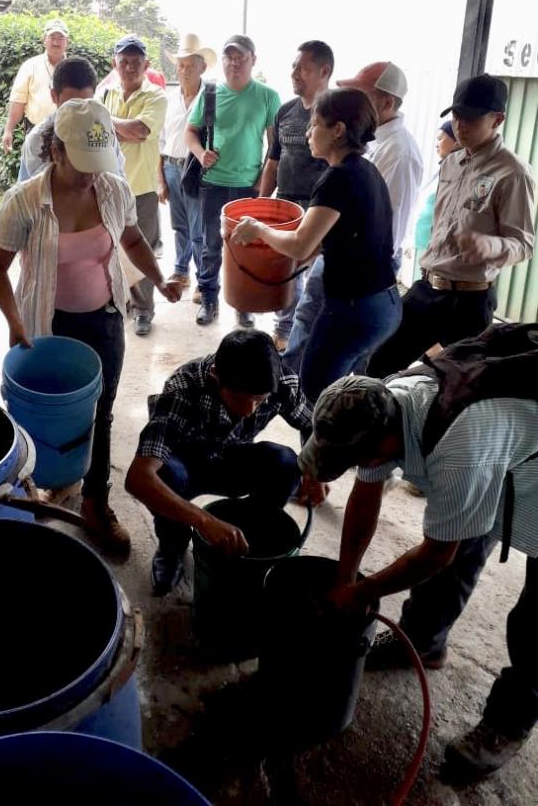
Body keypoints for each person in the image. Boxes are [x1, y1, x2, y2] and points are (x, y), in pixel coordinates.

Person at [298, 372, 538, 782]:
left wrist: (363, 593)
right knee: (458, 529)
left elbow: (435, 556)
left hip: (509, 456)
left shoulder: (461, 451)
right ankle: (423, 642)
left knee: (535, 623)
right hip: (500, 450)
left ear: (381, 449)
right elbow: (365, 497)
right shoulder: (384, 404)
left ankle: (507, 724)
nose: (360, 467)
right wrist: (345, 578)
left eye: (358, 460)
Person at [0, 98, 182, 553]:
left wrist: (157, 280)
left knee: (101, 411)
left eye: (98, 164)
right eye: (81, 166)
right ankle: (47, 482)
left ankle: (96, 500)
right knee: (46, 414)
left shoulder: (113, 190)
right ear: (55, 151)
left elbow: (132, 238)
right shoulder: (25, 201)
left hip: (105, 318)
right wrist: (15, 323)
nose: (91, 176)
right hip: (46, 325)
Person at [231, 88, 401, 404]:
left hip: (355, 308)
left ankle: (318, 453)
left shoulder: (337, 177)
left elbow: (299, 244)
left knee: (316, 396)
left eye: (314, 124)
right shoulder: (365, 170)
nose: (308, 133)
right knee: (349, 397)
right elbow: (329, 240)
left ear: (337, 131)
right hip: (385, 304)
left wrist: (258, 228)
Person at [125, 329, 320, 596]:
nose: (249, 410)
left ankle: (251, 531)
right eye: (239, 398)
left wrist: (314, 472)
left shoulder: (282, 382)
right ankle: (172, 550)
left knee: (287, 462)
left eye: (259, 400)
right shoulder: (184, 388)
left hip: (233, 458)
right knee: (165, 477)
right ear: (216, 376)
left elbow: (313, 425)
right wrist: (204, 521)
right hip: (186, 466)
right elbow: (138, 478)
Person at [368, 74, 535, 377]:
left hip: (469, 302)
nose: (460, 125)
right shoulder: (451, 162)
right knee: (378, 363)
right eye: (456, 116)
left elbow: (524, 244)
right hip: (427, 289)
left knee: (458, 384)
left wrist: (491, 245)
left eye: (471, 118)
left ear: (497, 119)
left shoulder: (512, 173)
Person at [185, 34, 280, 329]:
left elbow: (274, 147)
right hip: (213, 183)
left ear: (253, 59)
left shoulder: (267, 96)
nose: (234, 63)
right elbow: (190, 132)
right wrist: (201, 155)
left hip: (248, 186)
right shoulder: (210, 93)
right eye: (229, 57)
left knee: (246, 249)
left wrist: (264, 190)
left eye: (241, 57)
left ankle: (244, 304)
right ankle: (209, 298)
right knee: (211, 246)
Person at [259, 40, 332, 351]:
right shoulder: (286, 111)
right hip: (285, 206)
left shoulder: (333, 114)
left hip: (320, 210)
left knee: (316, 277)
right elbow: (273, 161)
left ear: (324, 71)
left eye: (302, 68)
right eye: (293, 67)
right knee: (286, 273)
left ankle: (310, 335)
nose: (294, 73)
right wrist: (262, 203)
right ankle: (284, 328)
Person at [100, 35, 168, 337]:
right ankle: (119, 300)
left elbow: (140, 131)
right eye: (123, 61)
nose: (129, 67)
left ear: (146, 65)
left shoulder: (156, 96)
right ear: (115, 63)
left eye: (136, 62)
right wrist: (108, 121)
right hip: (105, 185)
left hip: (141, 188)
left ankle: (144, 310)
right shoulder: (106, 92)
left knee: (142, 250)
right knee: (108, 248)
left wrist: (103, 120)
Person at [336, 61, 423, 268]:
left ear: (386, 104)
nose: (353, 104)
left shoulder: (400, 153)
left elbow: (388, 225)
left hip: (367, 264)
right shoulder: (371, 139)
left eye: (361, 97)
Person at [158, 33, 216, 293]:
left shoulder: (212, 97)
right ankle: (181, 271)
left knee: (198, 227)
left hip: (196, 169)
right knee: (179, 224)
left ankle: (203, 280)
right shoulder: (169, 99)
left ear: (202, 67)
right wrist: (160, 179)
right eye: (180, 65)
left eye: (190, 65)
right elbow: (161, 141)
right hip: (171, 166)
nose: (184, 71)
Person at [17, 57, 125, 182]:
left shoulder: (102, 131)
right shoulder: (37, 140)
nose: (77, 112)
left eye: (84, 103)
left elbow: (119, 180)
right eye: (70, 104)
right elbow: (30, 192)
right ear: (54, 96)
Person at [1, 18, 69, 153]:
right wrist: (8, 130)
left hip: (67, 135)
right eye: (52, 37)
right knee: (34, 173)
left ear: (67, 42)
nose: (56, 42)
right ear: (44, 39)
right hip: (36, 133)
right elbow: (18, 101)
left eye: (60, 37)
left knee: (65, 174)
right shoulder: (30, 66)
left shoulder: (75, 68)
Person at [412, 120, 460, 259]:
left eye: (441, 139)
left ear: (456, 142)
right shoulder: (443, 168)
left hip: (438, 251)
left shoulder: (458, 173)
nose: (436, 143)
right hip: (423, 245)